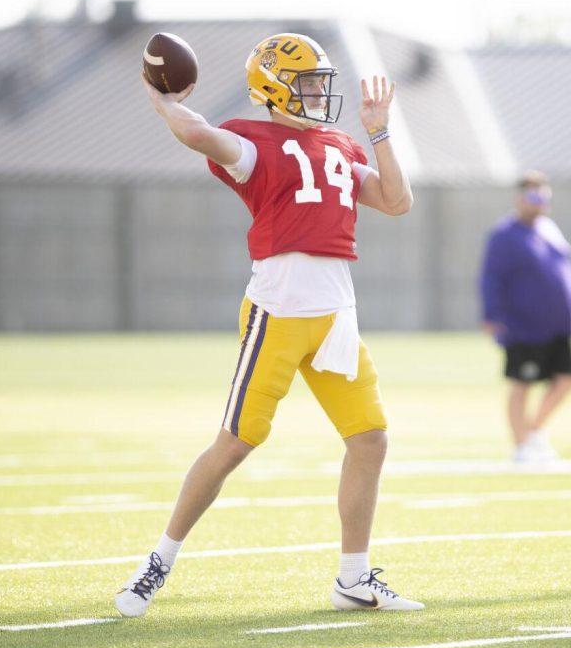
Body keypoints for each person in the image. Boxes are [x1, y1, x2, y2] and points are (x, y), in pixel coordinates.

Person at [115, 33, 423, 617]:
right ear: (274, 88)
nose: (318, 93)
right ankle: (159, 560)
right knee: (235, 444)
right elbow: (199, 133)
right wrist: (163, 102)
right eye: (307, 83)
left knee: (370, 439)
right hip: (278, 312)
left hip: (335, 315)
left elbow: (396, 200)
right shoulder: (254, 143)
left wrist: (379, 132)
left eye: (319, 82)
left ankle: (353, 578)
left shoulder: (340, 143)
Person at [480, 171, 571, 464]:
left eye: (544, 196)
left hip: (559, 323)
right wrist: (491, 314)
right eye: (533, 196)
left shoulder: (550, 229)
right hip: (525, 325)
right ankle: (521, 445)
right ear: (518, 199)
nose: (539, 202)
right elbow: (491, 277)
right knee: (522, 383)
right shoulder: (504, 234)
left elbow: (565, 270)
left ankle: (534, 431)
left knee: (568, 377)